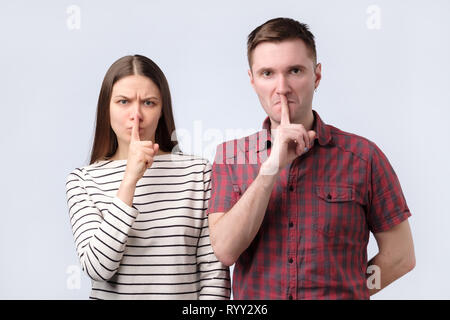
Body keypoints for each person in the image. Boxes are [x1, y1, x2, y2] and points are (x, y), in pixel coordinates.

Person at [207, 18, 415, 299]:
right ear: (252, 80)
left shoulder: (364, 157)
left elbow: (400, 256)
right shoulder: (230, 157)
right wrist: (270, 169)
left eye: (295, 71)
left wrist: (350, 292)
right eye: (267, 73)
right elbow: (225, 251)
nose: (282, 87)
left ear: (317, 75)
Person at [65, 55, 230, 300]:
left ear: (162, 109)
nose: (136, 114)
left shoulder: (199, 172)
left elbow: (213, 274)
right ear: (106, 109)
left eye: (149, 103)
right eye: (123, 101)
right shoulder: (83, 181)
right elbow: (98, 268)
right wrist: (129, 179)